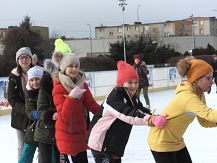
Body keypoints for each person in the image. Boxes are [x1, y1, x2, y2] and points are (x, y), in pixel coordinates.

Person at [87, 61, 167, 163]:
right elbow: (127, 114)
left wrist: (155, 116)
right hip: (101, 141)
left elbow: (140, 110)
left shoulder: (132, 97)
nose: (133, 86)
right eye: (129, 82)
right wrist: (151, 120)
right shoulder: (114, 96)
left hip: (114, 142)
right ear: (122, 83)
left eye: (136, 82)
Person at [147, 57, 217, 163]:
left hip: (176, 141)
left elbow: (205, 121)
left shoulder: (199, 94)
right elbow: (208, 114)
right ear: (196, 78)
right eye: (208, 78)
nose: (212, 81)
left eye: (212, 78)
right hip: (161, 141)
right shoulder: (188, 96)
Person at [52, 53, 100, 163]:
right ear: (64, 68)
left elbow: (92, 104)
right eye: (70, 66)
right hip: (65, 133)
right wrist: (71, 98)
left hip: (80, 132)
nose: (74, 69)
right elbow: (64, 116)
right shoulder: (58, 88)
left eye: (76, 66)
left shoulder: (82, 84)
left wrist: (107, 112)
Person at [34, 59, 62, 163]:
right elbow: (41, 111)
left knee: (59, 159)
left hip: (61, 131)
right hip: (44, 132)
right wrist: (52, 115)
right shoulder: (44, 89)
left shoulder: (65, 87)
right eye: (55, 74)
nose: (57, 76)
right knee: (45, 160)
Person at [7, 47, 33, 160]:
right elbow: (12, 99)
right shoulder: (13, 76)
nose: (24, 60)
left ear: (31, 59)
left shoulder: (38, 72)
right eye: (21, 58)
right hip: (20, 117)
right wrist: (26, 110)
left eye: (26, 57)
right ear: (18, 61)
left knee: (41, 146)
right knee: (22, 147)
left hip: (36, 115)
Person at [19, 66, 43, 163]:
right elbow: (29, 112)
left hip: (47, 131)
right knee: (25, 156)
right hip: (32, 130)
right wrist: (40, 115)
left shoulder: (47, 91)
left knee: (49, 157)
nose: (34, 82)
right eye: (31, 80)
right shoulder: (28, 93)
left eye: (37, 79)